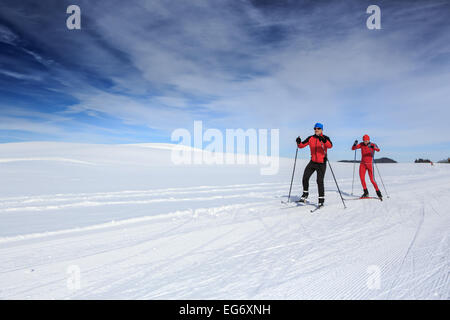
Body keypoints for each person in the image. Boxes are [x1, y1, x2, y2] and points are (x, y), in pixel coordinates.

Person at [295, 123, 333, 207]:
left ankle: (321, 201)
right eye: (315, 128)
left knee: (319, 181)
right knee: (305, 177)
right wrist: (298, 142)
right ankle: (305, 195)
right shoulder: (310, 138)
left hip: (321, 163)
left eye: (318, 128)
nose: (316, 130)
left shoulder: (325, 138)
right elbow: (301, 146)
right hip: (312, 162)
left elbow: (330, 146)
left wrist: (323, 140)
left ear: (321, 129)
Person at [352, 134, 383, 199]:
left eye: (367, 140)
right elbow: (353, 149)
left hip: (370, 164)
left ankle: (378, 193)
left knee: (372, 180)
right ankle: (366, 193)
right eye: (364, 141)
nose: (365, 142)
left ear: (369, 140)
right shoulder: (361, 144)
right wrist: (354, 144)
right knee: (362, 178)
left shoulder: (372, 144)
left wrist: (371, 147)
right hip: (362, 164)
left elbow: (378, 149)